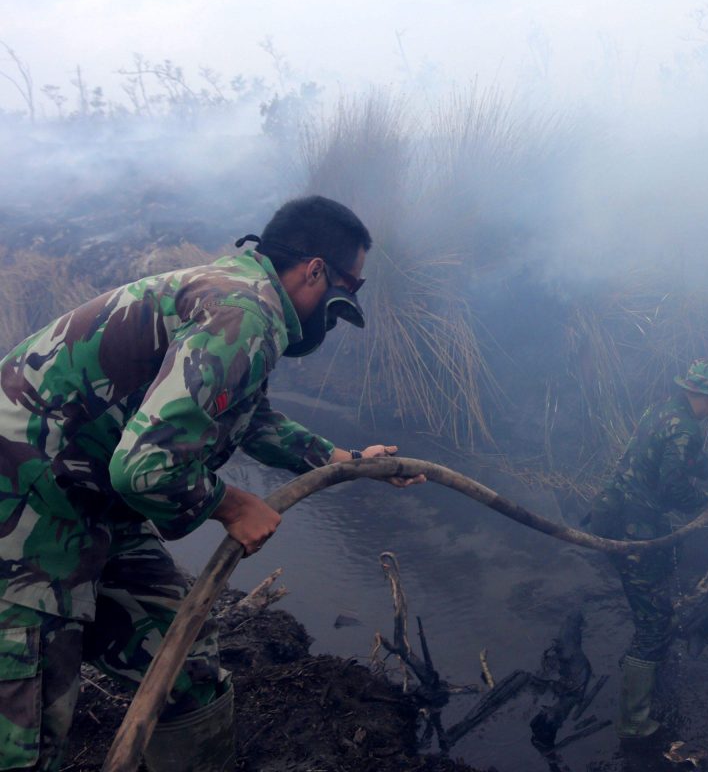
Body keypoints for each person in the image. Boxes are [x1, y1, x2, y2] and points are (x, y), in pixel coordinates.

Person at [0, 195, 423, 772]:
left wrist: (342, 458)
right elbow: (144, 468)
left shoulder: (245, 301)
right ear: (315, 270)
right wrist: (232, 504)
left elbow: (249, 415)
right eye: (350, 284)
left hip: (90, 498)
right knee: (27, 728)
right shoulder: (244, 312)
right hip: (26, 502)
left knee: (180, 656)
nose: (341, 307)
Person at [587, 358, 708, 740]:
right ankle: (634, 722)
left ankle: (643, 665)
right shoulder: (686, 427)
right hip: (634, 529)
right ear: (704, 396)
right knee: (654, 623)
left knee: (652, 603)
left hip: (613, 513)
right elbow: (673, 487)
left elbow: (661, 454)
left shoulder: (663, 409)